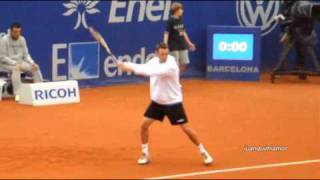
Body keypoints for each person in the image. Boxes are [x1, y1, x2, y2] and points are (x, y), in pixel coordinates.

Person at [116, 43, 213, 165]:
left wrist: (127, 67)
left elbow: (149, 71)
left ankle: (203, 151)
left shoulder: (170, 65)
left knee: (186, 128)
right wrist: (125, 64)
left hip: (173, 103)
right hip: (157, 102)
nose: (165, 56)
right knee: (144, 125)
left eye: (166, 53)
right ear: (157, 53)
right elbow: (144, 66)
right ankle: (145, 154)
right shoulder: (153, 61)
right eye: (162, 54)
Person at [0, 23, 43, 100]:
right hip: (6, 64)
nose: (17, 34)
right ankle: (18, 94)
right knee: (16, 69)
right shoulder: (4, 40)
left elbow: (26, 55)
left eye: (19, 32)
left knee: (35, 68)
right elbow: (2, 57)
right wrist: (15, 63)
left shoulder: (22, 39)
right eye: (15, 32)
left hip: (20, 62)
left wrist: (32, 63)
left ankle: (39, 90)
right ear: (11, 32)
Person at [163, 2, 196, 75]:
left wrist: (189, 43)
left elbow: (183, 32)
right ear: (176, 10)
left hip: (182, 45)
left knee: (184, 63)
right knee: (175, 65)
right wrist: (165, 45)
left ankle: (176, 78)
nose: (182, 11)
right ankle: (174, 80)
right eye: (181, 9)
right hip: (173, 45)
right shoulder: (170, 20)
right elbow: (166, 33)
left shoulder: (181, 19)